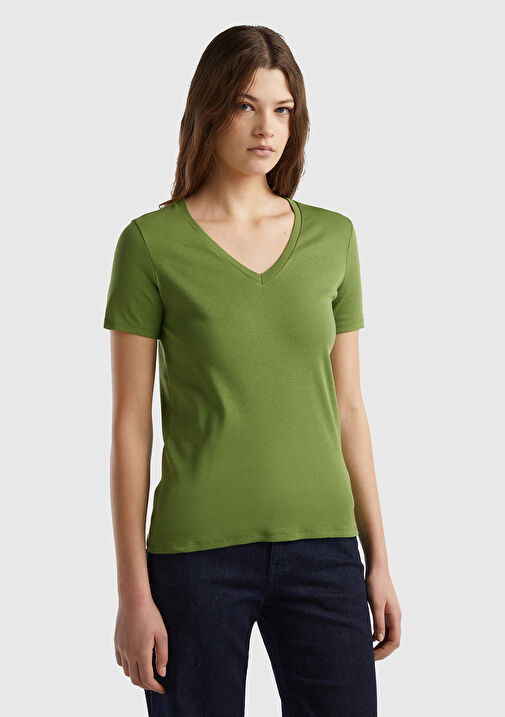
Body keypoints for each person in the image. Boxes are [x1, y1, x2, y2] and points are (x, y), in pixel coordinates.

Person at [103, 24, 401, 717]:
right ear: (208, 110)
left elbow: (349, 408)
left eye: (282, 109)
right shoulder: (150, 245)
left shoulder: (333, 238)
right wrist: (132, 592)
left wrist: (378, 558)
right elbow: (129, 427)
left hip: (324, 550)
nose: (266, 128)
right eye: (244, 105)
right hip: (195, 559)